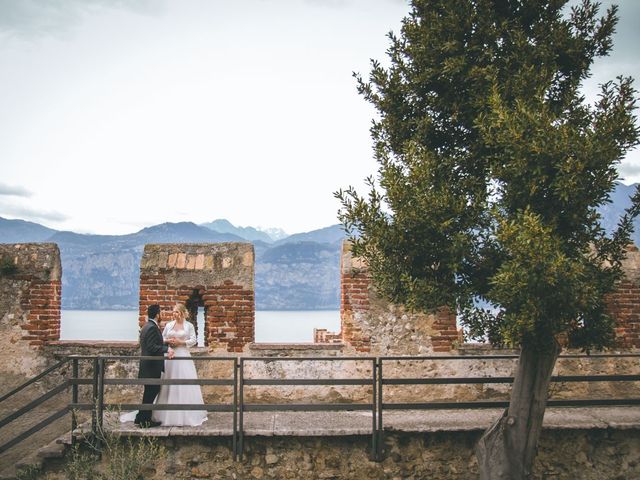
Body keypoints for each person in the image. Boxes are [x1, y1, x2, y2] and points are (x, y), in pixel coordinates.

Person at [152, 303, 208, 427]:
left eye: (176, 312)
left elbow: (193, 340)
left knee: (184, 383)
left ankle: (186, 413)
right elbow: (162, 338)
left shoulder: (189, 326)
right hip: (170, 356)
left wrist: (181, 342)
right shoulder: (169, 325)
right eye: (173, 312)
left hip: (183, 356)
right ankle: (165, 412)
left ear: (182, 313)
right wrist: (169, 341)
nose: (174, 314)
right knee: (169, 382)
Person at [134, 304, 174, 428]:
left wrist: (164, 341)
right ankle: (145, 421)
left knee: (149, 393)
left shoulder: (147, 326)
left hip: (148, 366)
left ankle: (140, 417)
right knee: (151, 392)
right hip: (151, 367)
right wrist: (166, 349)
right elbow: (152, 347)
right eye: (160, 312)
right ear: (157, 315)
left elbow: (152, 342)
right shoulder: (152, 327)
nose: (161, 314)